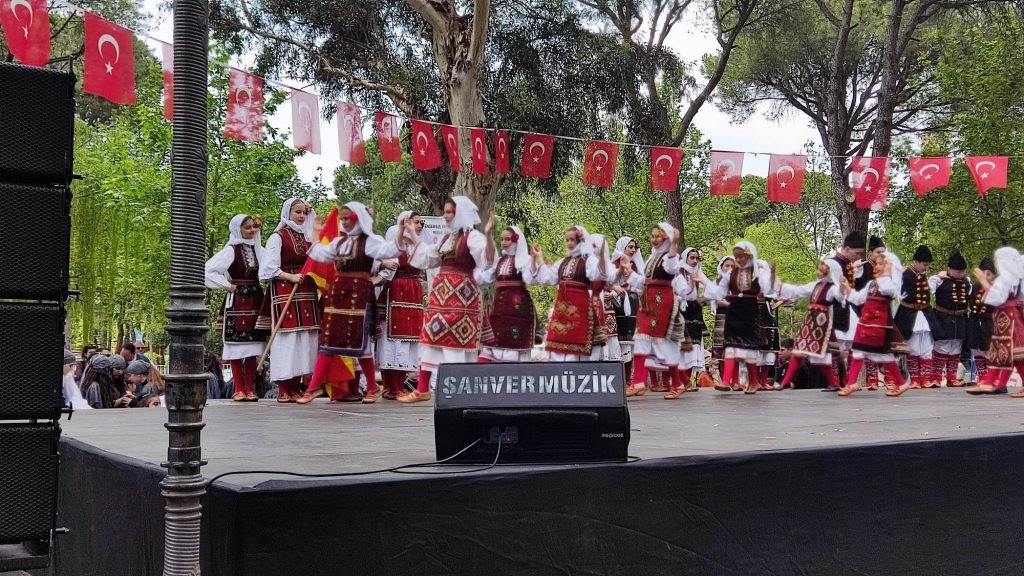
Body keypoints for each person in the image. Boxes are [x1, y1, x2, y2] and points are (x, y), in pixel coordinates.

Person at [297, 202, 398, 405]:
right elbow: (319, 254)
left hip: (358, 294)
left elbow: (390, 252)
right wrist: (316, 232)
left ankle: (371, 386)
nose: (344, 222)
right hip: (338, 295)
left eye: (347, 218)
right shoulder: (339, 242)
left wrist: (402, 237)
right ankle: (313, 388)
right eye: (342, 218)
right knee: (329, 342)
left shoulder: (369, 241)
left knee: (360, 344)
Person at [401, 196, 496, 404]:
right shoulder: (445, 238)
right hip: (441, 296)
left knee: (457, 344)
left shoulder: (473, 237)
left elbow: (487, 260)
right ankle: (423, 388)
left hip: (462, 297)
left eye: (449, 212)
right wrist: (413, 235)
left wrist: (489, 235)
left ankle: (463, 392)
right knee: (430, 337)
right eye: (444, 212)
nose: (445, 216)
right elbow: (427, 257)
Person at [257, 198, 320, 403]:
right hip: (286, 291)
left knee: (305, 340)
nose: (301, 216)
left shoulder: (308, 237)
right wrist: (290, 277)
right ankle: (284, 388)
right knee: (288, 340)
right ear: (288, 213)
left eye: (304, 213)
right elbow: (267, 269)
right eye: (297, 212)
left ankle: (296, 387)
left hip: (306, 292)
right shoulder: (278, 237)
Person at [205, 213, 267, 402]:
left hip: (256, 299)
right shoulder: (232, 250)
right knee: (236, 348)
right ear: (237, 230)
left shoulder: (259, 249)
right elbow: (208, 270)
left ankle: (249, 389)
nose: (252, 230)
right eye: (247, 227)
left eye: (254, 227)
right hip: (238, 301)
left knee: (252, 348)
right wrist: (227, 285)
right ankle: (239, 389)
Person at [702, 241, 775, 393]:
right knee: (731, 346)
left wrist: (771, 274)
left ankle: (754, 382)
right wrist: (704, 283)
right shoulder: (731, 273)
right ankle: (726, 381)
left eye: (742, 256)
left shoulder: (757, 272)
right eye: (737, 257)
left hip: (750, 310)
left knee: (749, 348)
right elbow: (719, 292)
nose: (739, 260)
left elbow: (768, 290)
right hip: (734, 310)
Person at [618, 223, 681, 397]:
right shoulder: (653, 258)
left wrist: (674, 244)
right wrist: (628, 270)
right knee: (646, 340)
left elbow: (672, 268)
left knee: (652, 341)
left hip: (662, 301)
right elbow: (642, 282)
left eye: (658, 236)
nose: (654, 239)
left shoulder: (668, 257)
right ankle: (672, 383)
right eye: (652, 236)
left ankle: (643, 382)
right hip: (649, 301)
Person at [839, 247, 911, 397]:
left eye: (880, 264)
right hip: (865, 324)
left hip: (879, 326)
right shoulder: (872, 284)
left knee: (882, 356)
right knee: (859, 352)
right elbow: (858, 299)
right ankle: (852, 383)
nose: (877, 267)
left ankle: (901, 383)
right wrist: (847, 287)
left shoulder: (889, 285)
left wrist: (886, 272)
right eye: (877, 264)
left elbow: (887, 289)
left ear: (889, 267)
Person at [533, 225, 608, 362]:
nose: (569, 243)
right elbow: (547, 278)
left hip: (580, 309)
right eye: (567, 240)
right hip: (561, 308)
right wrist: (539, 258)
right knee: (558, 343)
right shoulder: (562, 262)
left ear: (580, 240)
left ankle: (580, 372)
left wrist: (602, 255)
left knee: (579, 344)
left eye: (572, 240)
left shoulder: (588, 260)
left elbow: (598, 275)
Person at [374, 211, 427, 399]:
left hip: (413, 295)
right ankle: (392, 386)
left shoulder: (418, 246)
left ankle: (397, 385)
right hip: (396, 293)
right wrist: (376, 280)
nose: (419, 226)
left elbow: (425, 271)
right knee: (392, 340)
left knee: (408, 340)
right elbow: (383, 267)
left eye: (421, 223)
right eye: (415, 222)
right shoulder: (394, 243)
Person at [775, 259, 850, 391]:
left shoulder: (832, 288)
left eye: (822, 268)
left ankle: (832, 383)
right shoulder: (816, 285)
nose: (819, 270)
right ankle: (832, 383)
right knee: (805, 352)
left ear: (829, 272)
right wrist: (781, 286)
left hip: (821, 323)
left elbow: (840, 296)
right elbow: (799, 290)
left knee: (807, 353)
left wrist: (843, 287)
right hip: (810, 320)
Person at [966, 247, 1024, 395]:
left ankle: (990, 382)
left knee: (1004, 351)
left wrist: (983, 281)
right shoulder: (1017, 278)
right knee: (1011, 353)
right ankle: (991, 382)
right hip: (1010, 316)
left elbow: (996, 298)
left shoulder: (1006, 279)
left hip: (1007, 317)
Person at [479, 226, 537, 364]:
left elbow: (530, 279)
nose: (503, 243)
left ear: (516, 241)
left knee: (513, 342)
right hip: (499, 309)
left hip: (517, 311)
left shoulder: (525, 260)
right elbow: (484, 277)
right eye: (502, 239)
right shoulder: (500, 261)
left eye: (507, 239)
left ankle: (513, 375)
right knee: (493, 341)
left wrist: (534, 260)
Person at [894, 245, 938, 388]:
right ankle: (914, 380)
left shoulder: (924, 276)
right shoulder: (904, 274)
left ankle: (925, 379)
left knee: (926, 347)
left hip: (925, 315)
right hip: (909, 315)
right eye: (924, 265)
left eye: (927, 265)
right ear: (916, 262)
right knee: (912, 347)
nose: (926, 268)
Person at [828, 231, 867, 391]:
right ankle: (836, 382)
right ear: (848, 249)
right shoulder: (833, 264)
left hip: (848, 308)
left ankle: (850, 380)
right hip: (836, 307)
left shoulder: (847, 264)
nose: (858, 256)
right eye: (856, 253)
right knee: (835, 345)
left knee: (854, 344)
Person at [929, 251, 971, 387]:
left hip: (961, 319)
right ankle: (935, 378)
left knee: (956, 348)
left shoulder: (967, 282)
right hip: (943, 318)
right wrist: (937, 277)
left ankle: (952, 378)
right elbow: (927, 291)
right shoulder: (938, 280)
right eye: (958, 271)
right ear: (949, 269)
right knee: (942, 347)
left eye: (962, 271)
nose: (960, 274)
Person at [674, 247, 711, 394]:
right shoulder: (678, 274)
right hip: (681, 313)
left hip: (695, 315)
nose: (695, 261)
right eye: (692, 258)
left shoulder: (699, 274)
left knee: (693, 348)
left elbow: (711, 291)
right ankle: (680, 381)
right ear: (685, 259)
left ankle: (687, 381)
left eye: (697, 258)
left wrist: (703, 298)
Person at [609, 237, 644, 379]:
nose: (633, 250)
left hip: (635, 304)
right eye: (630, 247)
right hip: (620, 305)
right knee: (623, 342)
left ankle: (630, 379)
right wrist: (617, 291)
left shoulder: (636, 265)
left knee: (633, 343)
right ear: (622, 247)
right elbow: (608, 281)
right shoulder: (614, 263)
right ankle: (622, 379)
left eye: (635, 247)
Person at [966, 257, 996, 384]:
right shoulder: (973, 287)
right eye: (983, 274)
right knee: (977, 349)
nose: (985, 277)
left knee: (990, 350)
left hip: (990, 322)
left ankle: (994, 378)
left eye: (988, 274)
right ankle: (983, 377)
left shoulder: (997, 288)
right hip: (975, 321)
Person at [708, 256, 736, 389]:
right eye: (727, 266)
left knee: (736, 348)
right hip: (723, 317)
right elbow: (718, 300)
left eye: (732, 266)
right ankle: (726, 380)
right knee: (723, 350)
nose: (730, 269)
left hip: (737, 317)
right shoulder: (718, 282)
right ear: (721, 267)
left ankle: (736, 381)